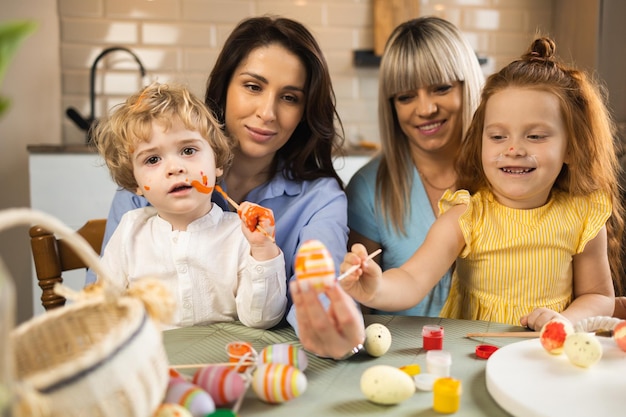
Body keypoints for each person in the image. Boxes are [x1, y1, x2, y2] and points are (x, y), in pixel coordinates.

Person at [91, 16, 361, 358]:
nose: (268, 112)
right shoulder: (139, 195)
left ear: (305, 112)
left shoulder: (320, 198)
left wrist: (327, 323)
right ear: (223, 87)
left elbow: (319, 295)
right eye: (253, 86)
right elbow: (98, 307)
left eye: (290, 97)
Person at [340, 37, 625, 331]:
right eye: (498, 137)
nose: (513, 149)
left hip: (543, 356)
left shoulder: (584, 215)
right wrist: (375, 288)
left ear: (570, 148)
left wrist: (564, 321)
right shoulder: (465, 216)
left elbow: (598, 295)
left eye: (536, 136)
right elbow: (413, 279)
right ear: (480, 143)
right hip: (471, 354)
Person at [92, 81, 287, 329]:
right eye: (153, 159)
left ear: (216, 162)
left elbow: (262, 320)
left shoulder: (240, 234)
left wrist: (263, 250)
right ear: (135, 183)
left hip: (221, 362)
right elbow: (104, 314)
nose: (175, 168)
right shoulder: (130, 231)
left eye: (188, 150)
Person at [344, 17, 485, 316]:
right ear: (391, 105)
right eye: (406, 96)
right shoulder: (368, 189)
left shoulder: (506, 174)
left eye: (441, 88)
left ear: (468, 85)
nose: (425, 109)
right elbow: (363, 309)